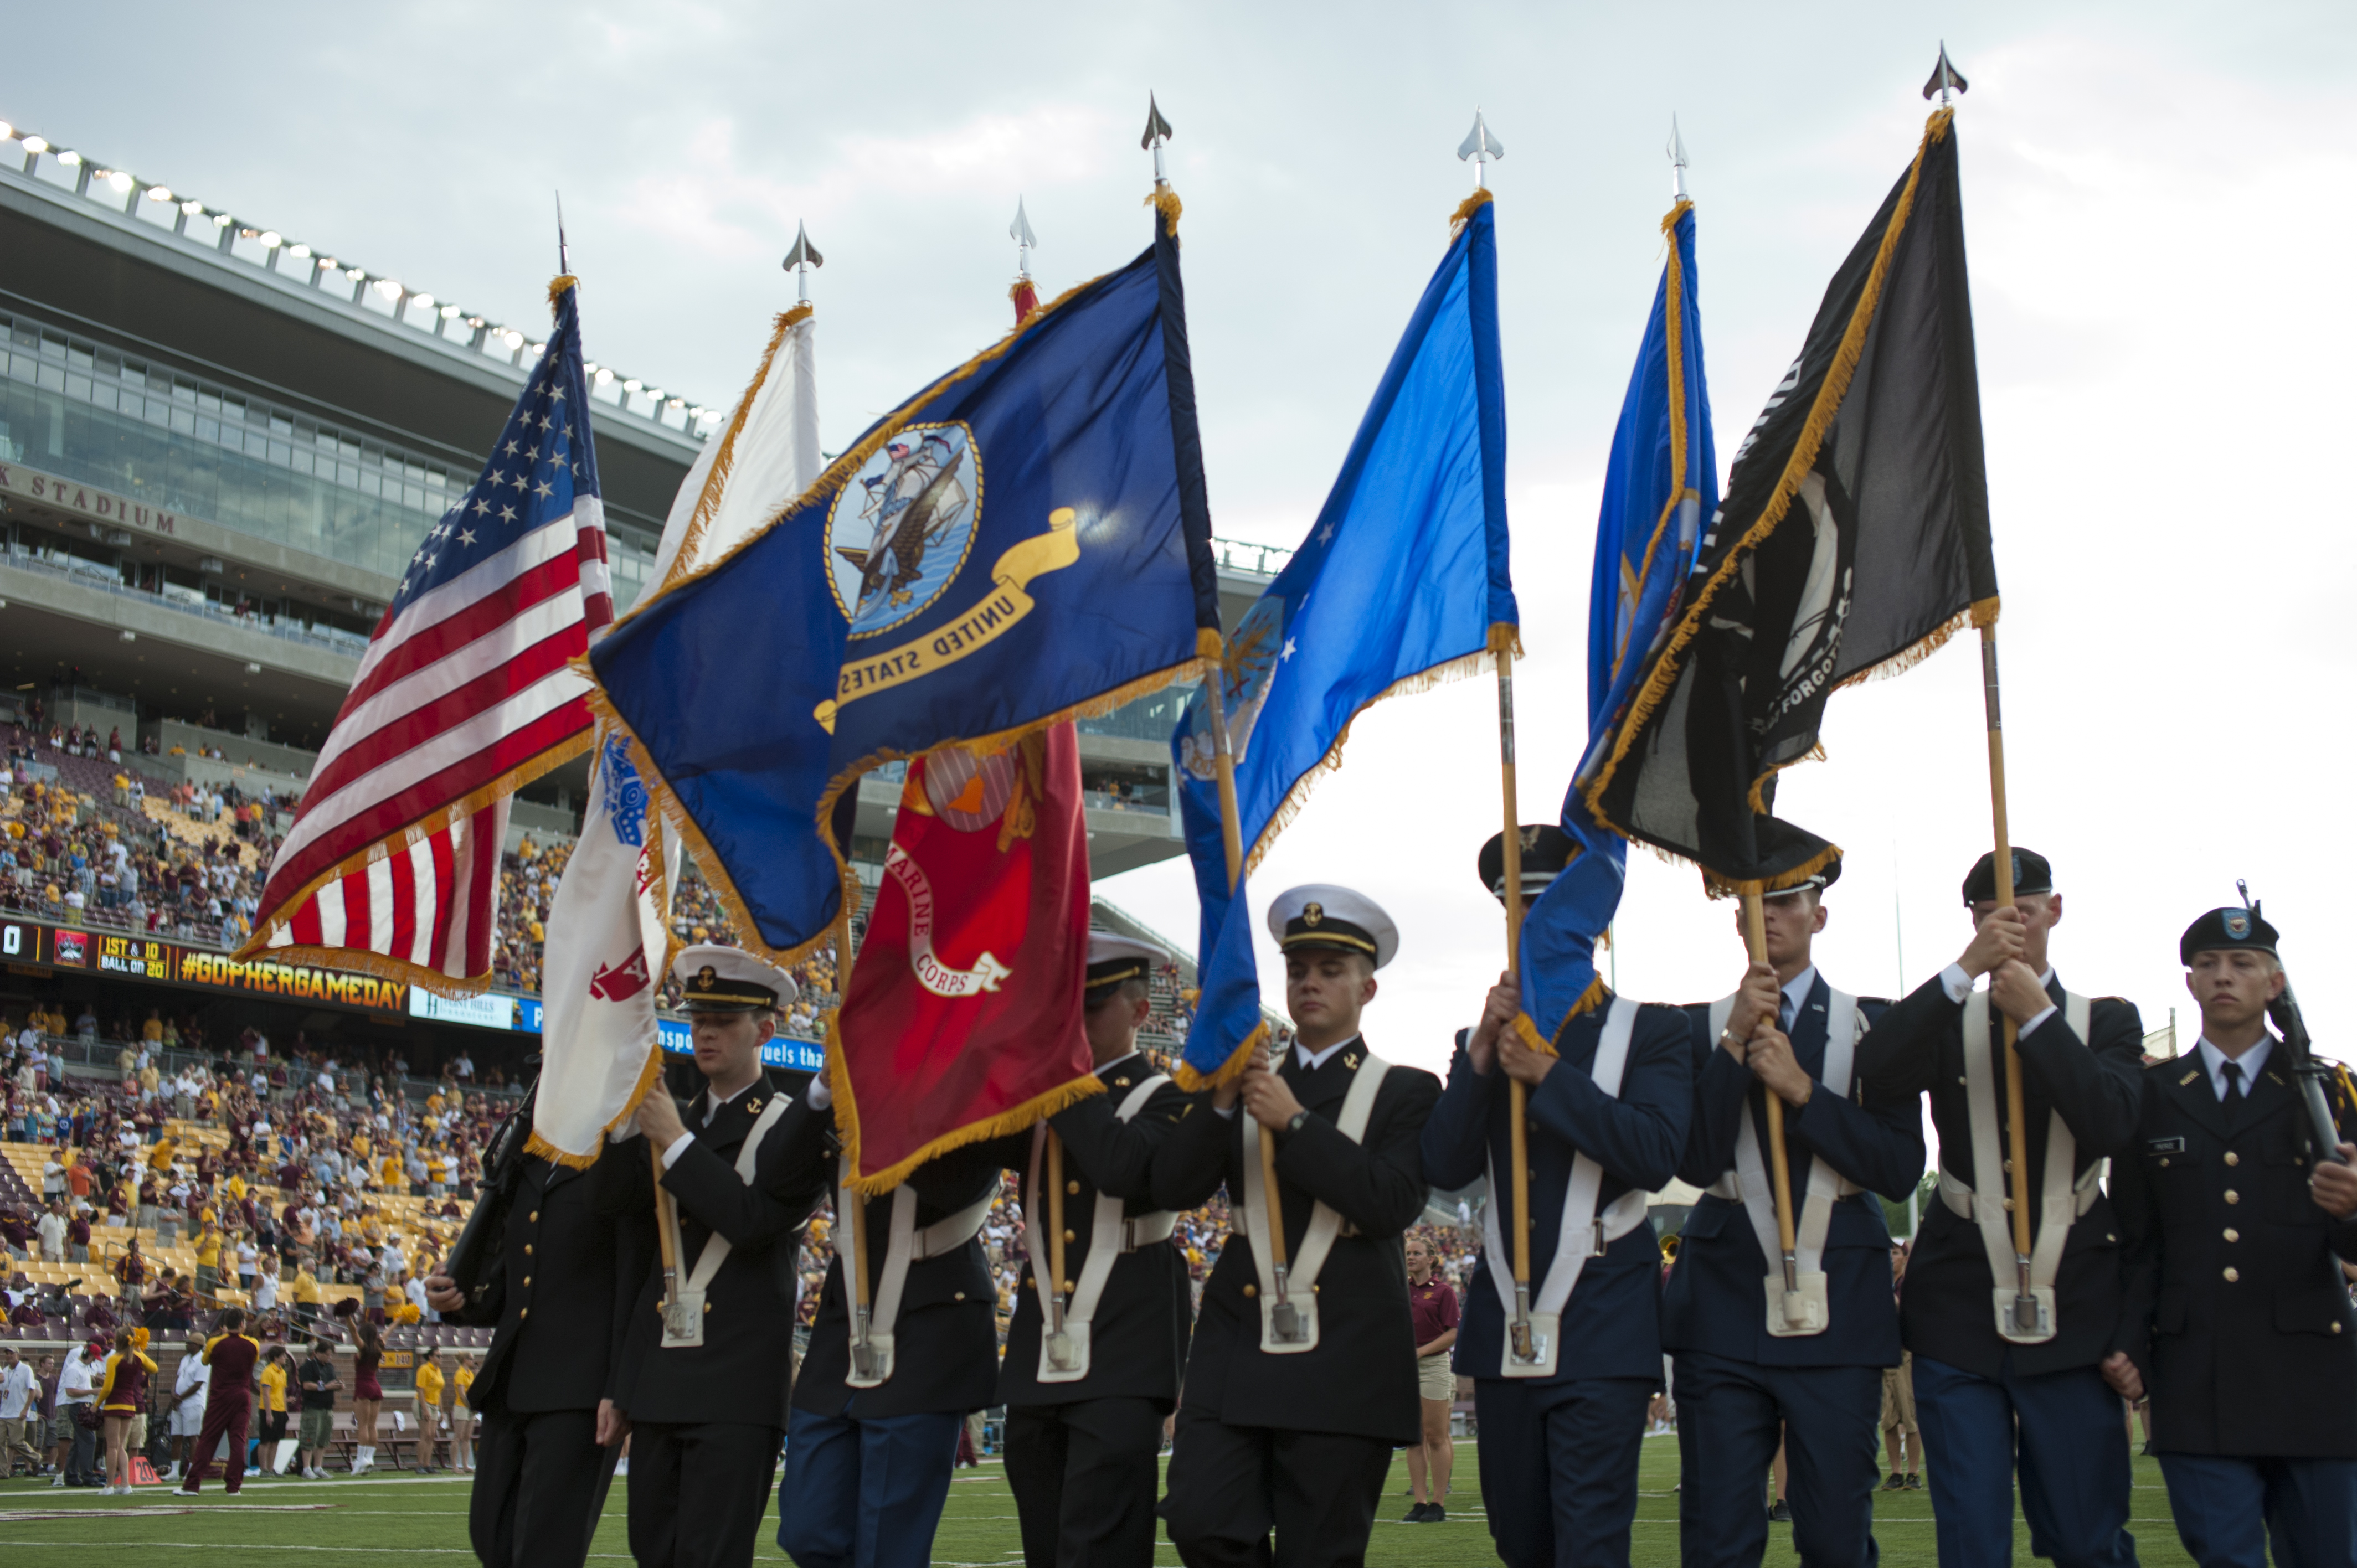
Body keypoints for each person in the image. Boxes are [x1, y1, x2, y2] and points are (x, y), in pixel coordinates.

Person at [1856, 848, 2144, 1568]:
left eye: (2023, 910)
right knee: (1973, 1539)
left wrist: (2039, 1020)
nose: (2008, 925)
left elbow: (2111, 1124)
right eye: (1989, 916)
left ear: (2055, 910)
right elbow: (1877, 1068)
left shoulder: (2104, 1020)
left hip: (2074, 1306)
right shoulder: (1950, 1018)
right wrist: (1962, 972)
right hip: (1959, 1307)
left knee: (2086, 1536)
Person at [1421, 826, 1697, 1561]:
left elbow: (1653, 1151)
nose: (1530, 931)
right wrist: (1481, 1055)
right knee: (1521, 1540)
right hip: (1505, 1321)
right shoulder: (1482, 1039)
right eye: (1519, 915)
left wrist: (1549, 1077)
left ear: (1591, 925)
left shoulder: (1650, 1032)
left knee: (1591, 1541)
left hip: (1603, 1317)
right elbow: (1444, 1166)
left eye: (1548, 912)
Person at [1153, 885, 1444, 1568]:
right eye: (1297, 970)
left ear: (1366, 989)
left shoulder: (1405, 1089)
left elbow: (1389, 1203)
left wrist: (1293, 1121)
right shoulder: (1244, 1081)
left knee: (1320, 1552)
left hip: (1346, 1350)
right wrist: (1221, 1100)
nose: (1309, 983)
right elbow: (1172, 1189)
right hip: (1239, 1340)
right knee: (1200, 1520)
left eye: (1329, 971)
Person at [1663, 860, 1924, 1568]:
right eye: (1754, 905)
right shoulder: (1690, 1029)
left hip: (1838, 1298)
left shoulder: (1875, 1024)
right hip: (1721, 1297)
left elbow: (1899, 1169)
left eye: (1786, 901)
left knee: (1835, 1532)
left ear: (1820, 915)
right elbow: (1690, 1161)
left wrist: (1802, 1091)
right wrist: (1731, 1047)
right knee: (1718, 1534)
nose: (1769, 917)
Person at [2108, 903, 2357, 1568]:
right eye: (2207, 964)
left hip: (2313, 1380)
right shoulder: (2151, 1095)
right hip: (2198, 1378)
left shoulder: (2328, 1093)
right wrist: (2126, 1342)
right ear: (2188, 982)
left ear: (2273, 985)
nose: (2224, 976)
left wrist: (2354, 1211)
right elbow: (2139, 1240)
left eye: (2242, 964)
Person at [605, 949, 835, 1567]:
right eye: (697, 1017)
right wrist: (622, 1387)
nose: (703, 1032)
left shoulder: (791, 1125)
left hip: (736, 1389)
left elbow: (753, 1221)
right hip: (659, 1386)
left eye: (723, 1021)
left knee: (711, 1556)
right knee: (652, 1551)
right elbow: (648, 1266)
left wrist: (672, 1140)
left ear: (764, 1031)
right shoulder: (671, 1123)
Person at [999, 932, 1198, 1568]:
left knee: (1100, 1542)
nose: (1073, 1025)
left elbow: (1120, 1167)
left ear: (1139, 1013)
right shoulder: (1038, 1095)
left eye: (1090, 1008)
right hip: (1041, 1344)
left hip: (1124, 1340)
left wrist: (1058, 1072)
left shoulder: (1168, 1099)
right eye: (1063, 1009)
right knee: (1044, 1540)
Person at [423, 1057, 656, 1565]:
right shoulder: (532, 1159)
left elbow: (633, 1278)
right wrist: (459, 1299)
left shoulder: (623, 1157)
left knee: (547, 1549)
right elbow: (515, 1279)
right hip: (515, 1379)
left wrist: (620, 1387)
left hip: (581, 1388)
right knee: (491, 1537)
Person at [1402, 1235, 1459, 1521]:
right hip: (1406, 1368)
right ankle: (1419, 1502)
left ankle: (1438, 1503)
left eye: (1417, 1253)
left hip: (1434, 1365)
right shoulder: (1401, 1289)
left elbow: (1452, 1332)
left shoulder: (1444, 1291)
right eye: (1408, 1253)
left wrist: (1421, 1351)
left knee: (1436, 1436)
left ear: (1431, 1259)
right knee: (1414, 1437)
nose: (1410, 1257)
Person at [176, 1306, 260, 1497]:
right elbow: (253, 1360)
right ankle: (234, 1487)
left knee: (207, 1440)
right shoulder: (253, 1344)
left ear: (224, 1325)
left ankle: (192, 1485)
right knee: (238, 1440)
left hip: (220, 1396)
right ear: (242, 1324)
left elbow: (206, 1361)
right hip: (242, 1395)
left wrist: (221, 1337)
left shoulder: (215, 1343)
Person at [1879, 1242, 1922, 1492]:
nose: (1891, 1257)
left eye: (1895, 1253)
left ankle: (1914, 1473)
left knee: (1910, 1415)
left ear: (1905, 1258)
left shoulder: (1909, 1285)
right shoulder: (1881, 1284)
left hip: (1905, 1354)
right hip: (1884, 1354)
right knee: (1888, 1418)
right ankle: (1896, 1472)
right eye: (1889, 1252)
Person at [97, 1327, 157, 1496]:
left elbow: (107, 1388)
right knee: (121, 1446)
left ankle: (109, 1486)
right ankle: (125, 1485)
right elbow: (154, 1368)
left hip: (114, 1405)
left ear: (118, 1341)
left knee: (112, 1446)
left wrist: (96, 1405)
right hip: (130, 1405)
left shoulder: (113, 1359)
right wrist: (139, 1351)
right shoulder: (138, 1357)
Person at [166, 1332, 210, 1480]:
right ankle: (174, 1471)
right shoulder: (186, 1359)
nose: (187, 1345)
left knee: (192, 1437)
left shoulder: (204, 1361)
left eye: (189, 1343)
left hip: (193, 1403)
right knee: (176, 1436)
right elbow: (178, 1377)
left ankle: (192, 1470)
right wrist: (173, 1393)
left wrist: (180, 1397)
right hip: (178, 1403)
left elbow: (198, 1384)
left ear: (197, 1345)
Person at [55, 1339, 99, 1487]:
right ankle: (87, 1475)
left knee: (78, 1442)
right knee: (89, 1440)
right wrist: (92, 1391)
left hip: (84, 1405)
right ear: (87, 1354)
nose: (94, 1361)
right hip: (77, 1406)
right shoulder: (74, 1368)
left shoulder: (85, 1368)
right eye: (93, 1357)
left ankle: (71, 1475)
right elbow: (70, 1391)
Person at [296, 1335, 340, 1479]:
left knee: (323, 1439)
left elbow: (331, 1382)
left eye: (330, 1355)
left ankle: (318, 1467)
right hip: (313, 1407)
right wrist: (327, 1387)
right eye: (326, 1354)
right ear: (318, 1353)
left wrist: (338, 1386)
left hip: (327, 1407)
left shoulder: (329, 1367)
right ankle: (307, 1468)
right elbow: (307, 1385)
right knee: (310, 1437)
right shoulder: (308, 1366)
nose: (329, 1357)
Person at [349, 1319, 385, 1474]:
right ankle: (369, 1458)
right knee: (372, 1425)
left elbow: (352, 1331)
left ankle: (359, 1462)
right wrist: (400, 1319)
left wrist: (347, 1316)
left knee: (363, 1425)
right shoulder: (379, 1346)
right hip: (375, 1386)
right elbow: (389, 1331)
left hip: (363, 1386)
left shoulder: (363, 1348)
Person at [0, 1344, 40, 1478]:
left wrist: (25, 1409)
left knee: (16, 1442)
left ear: (18, 1354)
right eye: (7, 1354)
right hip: (3, 1412)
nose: (9, 1356)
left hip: (18, 1412)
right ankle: (3, 1472)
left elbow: (32, 1390)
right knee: (0, 1443)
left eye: (12, 1353)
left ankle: (36, 1458)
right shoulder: (5, 1371)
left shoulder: (26, 1369)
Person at [256, 1345, 292, 1475]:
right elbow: (265, 1394)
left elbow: (283, 1392)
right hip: (269, 1409)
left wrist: (285, 1411)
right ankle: (263, 1469)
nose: (285, 1358)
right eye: (283, 1356)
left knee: (276, 1441)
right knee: (266, 1440)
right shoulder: (268, 1372)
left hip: (280, 1410)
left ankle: (271, 1469)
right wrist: (268, 1414)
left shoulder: (282, 1372)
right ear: (276, 1358)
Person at [414, 1349, 446, 1472]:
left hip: (434, 1404)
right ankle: (420, 1465)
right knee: (425, 1434)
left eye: (441, 1356)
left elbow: (439, 1393)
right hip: (424, 1403)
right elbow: (420, 1389)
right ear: (431, 1357)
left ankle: (427, 1464)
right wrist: (424, 1409)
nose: (441, 1358)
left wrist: (441, 1411)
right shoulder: (424, 1369)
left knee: (432, 1435)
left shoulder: (438, 1371)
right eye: (438, 1356)